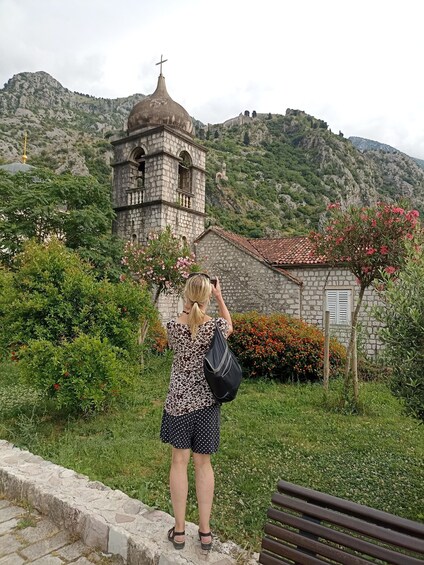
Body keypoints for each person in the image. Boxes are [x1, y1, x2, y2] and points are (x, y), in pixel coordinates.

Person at [160, 272, 233, 551]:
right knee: (203, 464)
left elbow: (185, 321)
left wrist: (190, 307)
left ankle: (179, 531)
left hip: (178, 403)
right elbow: (230, 326)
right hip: (206, 405)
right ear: (205, 296)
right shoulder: (214, 326)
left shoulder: (171, 326)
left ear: (185, 295)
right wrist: (219, 296)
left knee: (179, 462)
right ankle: (204, 533)